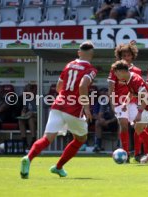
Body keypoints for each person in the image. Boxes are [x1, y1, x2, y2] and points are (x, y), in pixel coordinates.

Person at [20, 41, 97, 179]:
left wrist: (66, 94)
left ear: (79, 53)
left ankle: (28, 157)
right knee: (81, 139)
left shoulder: (68, 65)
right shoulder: (91, 70)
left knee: (47, 138)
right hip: (73, 108)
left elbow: (58, 87)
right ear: (91, 54)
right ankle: (58, 166)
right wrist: (86, 107)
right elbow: (82, 86)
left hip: (58, 105)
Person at [108, 42, 143, 162]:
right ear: (120, 56)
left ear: (132, 56)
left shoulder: (137, 70)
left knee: (138, 126)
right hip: (119, 101)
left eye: (128, 55)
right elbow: (111, 87)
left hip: (134, 101)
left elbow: (138, 89)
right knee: (124, 125)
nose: (126, 57)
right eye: (123, 55)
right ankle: (126, 153)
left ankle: (138, 153)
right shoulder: (114, 69)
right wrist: (112, 102)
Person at [93, 88, 118, 152]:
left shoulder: (117, 101)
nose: (107, 94)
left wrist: (108, 121)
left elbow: (119, 116)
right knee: (97, 123)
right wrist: (101, 119)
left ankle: (119, 145)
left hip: (115, 122)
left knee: (121, 123)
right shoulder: (104, 101)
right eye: (107, 93)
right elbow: (100, 113)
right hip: (107, 122)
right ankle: (98, 145)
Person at [18, 84, 37, 149]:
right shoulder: (27, 99)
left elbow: (44, 112)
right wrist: (23, 113)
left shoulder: (41, 98)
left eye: (29, 91)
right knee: (21, 120)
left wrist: (33, 113)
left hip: (39, 118)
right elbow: (24, 109)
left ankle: (33, 138)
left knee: (30, 119)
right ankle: (24, 140)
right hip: (29, 116)